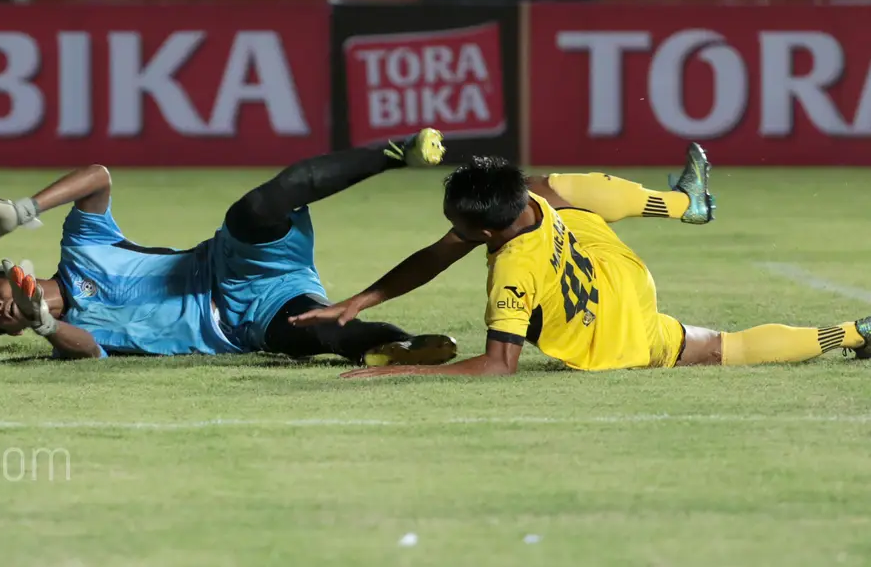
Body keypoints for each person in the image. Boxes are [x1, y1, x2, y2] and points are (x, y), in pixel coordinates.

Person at [291, 144, 871, 378]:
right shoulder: (531, 199)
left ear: (488, 229)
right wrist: (362, 301)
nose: (453, 235)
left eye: (461, 227)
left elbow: (498, 367)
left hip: (605, 339)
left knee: (721, 347)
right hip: (617, 270)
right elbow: (436, 255)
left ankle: (849, 331)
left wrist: (400, 373)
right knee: (556, 183)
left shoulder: (513, 269)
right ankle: (854, 331)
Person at [0, 129, 460, 365]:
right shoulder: (71, 333)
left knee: (254, 210)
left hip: (231, 264)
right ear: (11, 329)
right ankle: (408, 344)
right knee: (319, 332)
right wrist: (47, 326)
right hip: (243, 323)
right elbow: (91, 352)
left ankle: (391, 154)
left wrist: (24, 210)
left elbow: (97, 176)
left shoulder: (84, 246)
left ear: (9, 273)